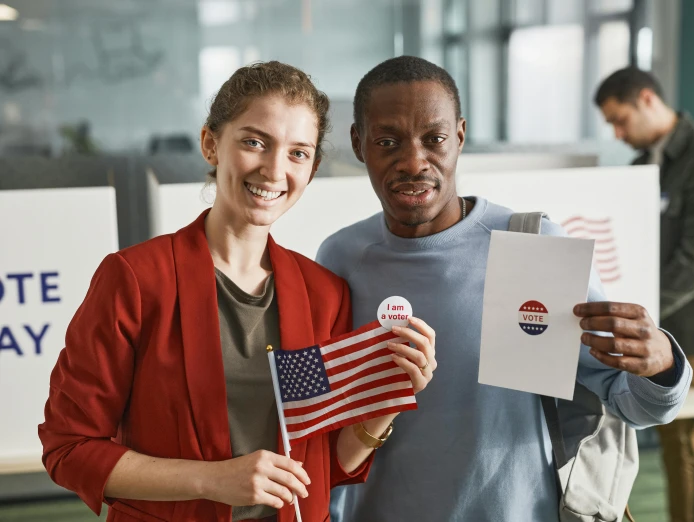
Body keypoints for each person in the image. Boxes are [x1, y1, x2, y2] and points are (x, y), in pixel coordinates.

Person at [38, 61, 436, 522]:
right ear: (211, 144)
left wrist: (385, 403)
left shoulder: (322, 294)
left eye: (297, 153)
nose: (273, 170)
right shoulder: (135, 280)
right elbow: (69, 448)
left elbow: (319, 466)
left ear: (312, 168)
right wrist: (212, 479)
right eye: (254, 142)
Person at [316, 56, 693, 522]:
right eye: (388, 141)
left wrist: (662, 366)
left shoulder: (531, 246)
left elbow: (630, 402)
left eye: (434, 139)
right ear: (358, 143)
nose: (414, 162)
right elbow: (326, 421)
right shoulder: (338, 259)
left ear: (459, 136)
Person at [595, 66, 694, 522]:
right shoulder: (644, 166)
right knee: (676, 449)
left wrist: (637, 314)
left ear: (648, 99)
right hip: (664, 330)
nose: (618, 133)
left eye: (620, 120)